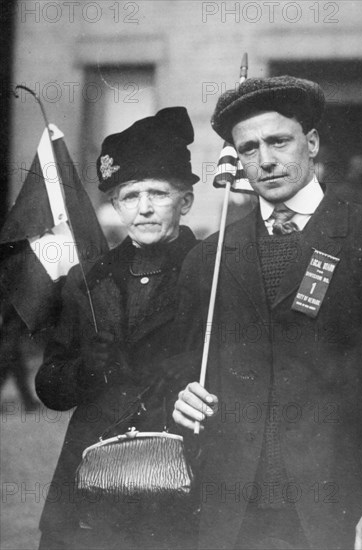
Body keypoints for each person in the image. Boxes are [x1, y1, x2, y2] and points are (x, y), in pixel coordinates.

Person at [171, 77, 362, 550]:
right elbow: (181, 375)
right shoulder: (210, 259)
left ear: (312, 143)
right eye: (249, 148)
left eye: (279, 141)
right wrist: (181, 400)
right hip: (235, 518)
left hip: (348, 514)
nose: (266, 159)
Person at [36, 107, 200, 550]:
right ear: (114, 205)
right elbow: (50, 388)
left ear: (184, 201)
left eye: (158, 194)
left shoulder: (214, 272)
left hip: (180, 484)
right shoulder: (89, 280)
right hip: (90, 486)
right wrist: (86, 368)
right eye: (129, 195)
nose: (144, 208)